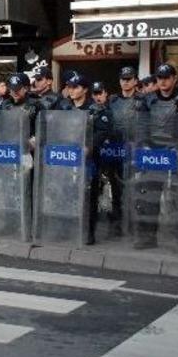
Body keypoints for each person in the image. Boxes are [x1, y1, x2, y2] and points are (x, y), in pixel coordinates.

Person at [136, 64, 178, 253]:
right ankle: (148, 237)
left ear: (174, 78)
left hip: (175, 154)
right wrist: (144, 145)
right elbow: (142, 125)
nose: (163, 81)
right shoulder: (149, 99)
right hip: (153, 155)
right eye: (159, 77)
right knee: (149, 198)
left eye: (167, 77)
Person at [61, 73, 113, 245]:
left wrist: (89, 147)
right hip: (68, 158)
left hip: (88, 159)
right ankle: (70, 227)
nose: (71, 90)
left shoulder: (96, 109)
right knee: (68, 194)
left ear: (84, 89)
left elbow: (103, 131)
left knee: (88, 196)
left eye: (75, 87)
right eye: (69, 87)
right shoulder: (65, 107)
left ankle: (88, 231)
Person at [103, 66, 141, 237]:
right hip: (116, 150)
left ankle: (134, 223)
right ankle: (118, 222)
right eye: (123, 79)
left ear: (135, 81)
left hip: (135, 150)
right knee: (116, 188)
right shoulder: (112, 101)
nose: (126, 82)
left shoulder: (143, 101)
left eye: (129, 79)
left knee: (135, 188)